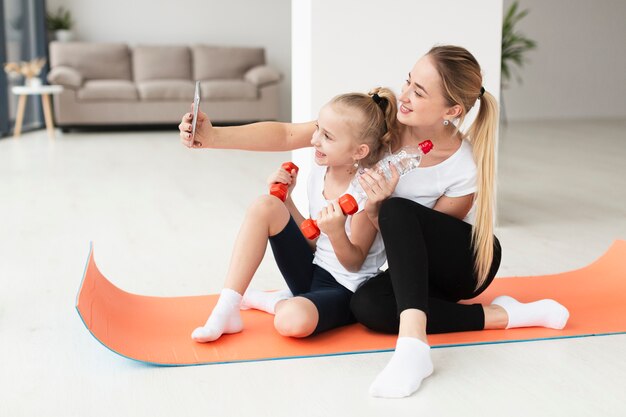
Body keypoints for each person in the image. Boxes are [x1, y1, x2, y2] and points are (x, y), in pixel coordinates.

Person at [179, 45, 569, 399]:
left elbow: (421, 242)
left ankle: (414, 349)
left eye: (420, 92)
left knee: (396, 210)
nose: (406, 95)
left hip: (461, 264)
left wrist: (377, 209)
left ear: (452, 111)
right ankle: (508, 315)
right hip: (406, 265)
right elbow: (287, 133)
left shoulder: (462, 165)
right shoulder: (379, 125)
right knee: (367, 306)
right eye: (408, 81)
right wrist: (211, 137)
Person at [190, 88, 398, 343]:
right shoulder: (319, 173)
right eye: (318, 129)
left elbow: (354, 263)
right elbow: (314, 239)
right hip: (312, 271)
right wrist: (287, 201)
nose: (314, 140)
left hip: (344, 290)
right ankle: (227, 307)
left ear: (359, 152)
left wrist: (335, 232)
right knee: (266, 205)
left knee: (290, 321)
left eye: (328, 137)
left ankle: (276, 301)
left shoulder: (365, 192)